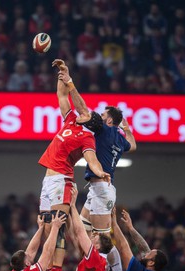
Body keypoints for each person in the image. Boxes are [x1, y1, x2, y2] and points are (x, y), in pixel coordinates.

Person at [38, 59, 110, 271]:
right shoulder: (70, 120)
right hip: (48, 180)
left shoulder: (87, 138)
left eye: (87, 112)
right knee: (47, 227)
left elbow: (91, 160)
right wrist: (62, 74)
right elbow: (62, 97)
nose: (83, 110)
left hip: (62, 180)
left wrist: (99, 172)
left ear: (90, 121)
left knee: (57, 229)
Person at [58, 61, 136, 234]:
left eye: (102, 115)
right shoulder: (120, 139)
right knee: (81, 234)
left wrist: (70, 83)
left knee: (102, 242)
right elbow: (133, 146)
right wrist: (127, 129)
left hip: (102, 188)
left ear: (109, 121)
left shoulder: (105, 130)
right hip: (98, 189)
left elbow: (83, 110)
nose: (100, 117)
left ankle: (111, 262)